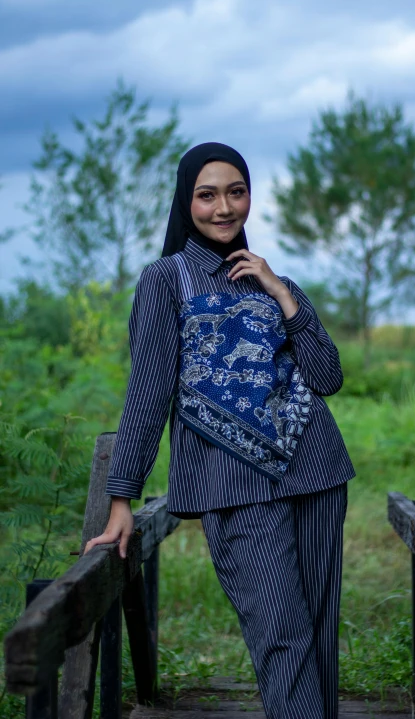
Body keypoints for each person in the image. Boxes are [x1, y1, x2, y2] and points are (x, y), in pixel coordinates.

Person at [84, 142, 356, 719]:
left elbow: (327, 376)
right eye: (207, 195)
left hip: (316, 472)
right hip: (232, 488)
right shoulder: (166, 281)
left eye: (236, 191)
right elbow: (148, 392)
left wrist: (283, 293)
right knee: (280, 634)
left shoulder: (270, 278)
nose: (224, 207)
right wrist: (121, 498)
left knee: (316, 634)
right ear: (188, 202)